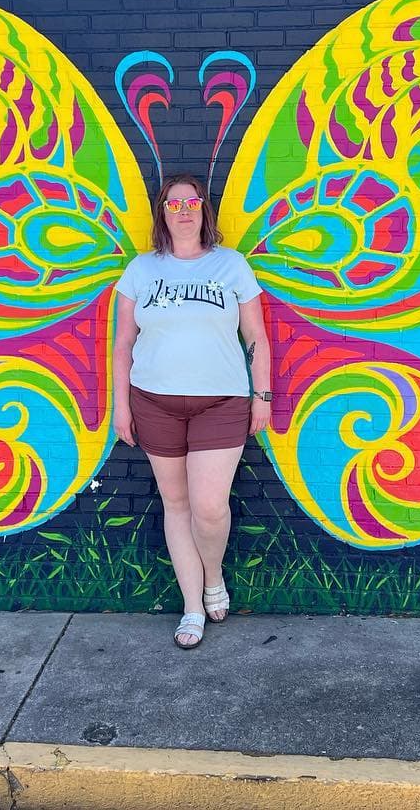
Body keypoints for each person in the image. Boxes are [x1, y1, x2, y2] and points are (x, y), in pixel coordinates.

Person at [112, 173, 272, 649]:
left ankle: (214, 575)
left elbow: (257, 338)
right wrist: (121, 407)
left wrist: (261, 396)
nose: (183, 209)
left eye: (191, 202)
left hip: (220, 402)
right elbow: (123, 344)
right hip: (154, 401)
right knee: (176, 505)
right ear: (162, 212)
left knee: (208, 507)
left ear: (205, 210)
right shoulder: (140, 270)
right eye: (173, 203)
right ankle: (192, 608)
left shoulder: (232, 265)